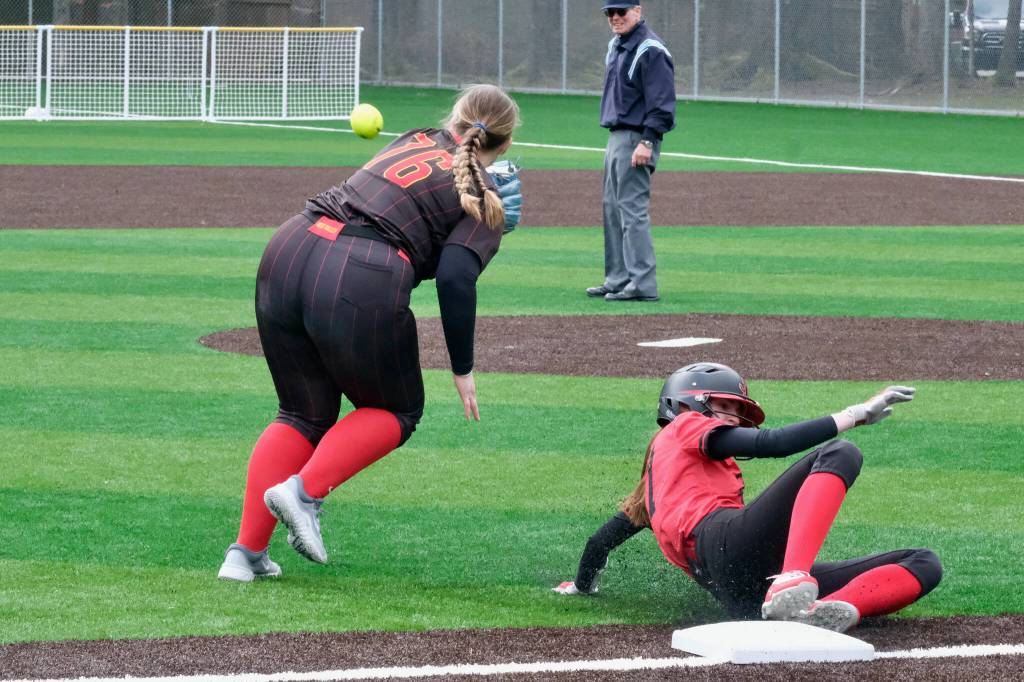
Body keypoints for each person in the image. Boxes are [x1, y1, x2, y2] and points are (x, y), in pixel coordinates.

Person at [217, 84, 522, 581]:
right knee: (395, 409)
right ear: (506, 145)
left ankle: (244, 555)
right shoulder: (484, 196)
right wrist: (462, 367)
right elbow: (454, 276)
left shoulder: (415, 136)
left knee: (300, 412)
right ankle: (303, 493)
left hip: (291, 246)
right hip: (360, 271)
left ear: (455, 120)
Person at [553, 362, 942, 632]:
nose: (734, 417)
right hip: (725, 544)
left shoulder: (660, 485)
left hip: (741, 591)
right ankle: (792, 581)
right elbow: (774, 442)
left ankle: (829, 611)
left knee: (923, 562)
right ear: (684, 404)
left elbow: (600, 542)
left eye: (738, 411)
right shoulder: (685, 426)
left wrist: (581, 586)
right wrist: (855, 414)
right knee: (839, 452)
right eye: (723, 406)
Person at [586, 2, 676, 303]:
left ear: (638, 11)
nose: (615, 18)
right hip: (616, 137)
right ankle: (618, 279)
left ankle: (643, 283)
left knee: (632, 211)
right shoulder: (616, 46)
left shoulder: (650, 49)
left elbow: (662, 103)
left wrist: (648, 141)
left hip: (637, 138)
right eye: (610, 13)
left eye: (621, 11)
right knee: (612, 209)